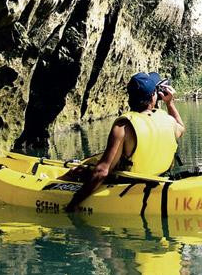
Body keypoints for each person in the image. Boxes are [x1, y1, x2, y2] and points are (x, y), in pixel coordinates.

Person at [64, 72, 185, 213]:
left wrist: (74, 202)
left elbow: (102, 172)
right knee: (91, 161)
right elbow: (181, 128)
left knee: (77, 171)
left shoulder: (123, 127)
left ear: (129, 99)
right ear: (154, 96)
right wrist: (170, 104)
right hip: (160, 179)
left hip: (130, 184)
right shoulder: (168, 120)